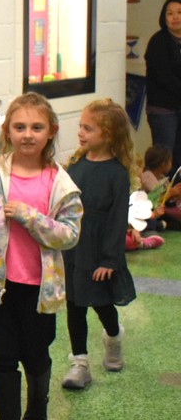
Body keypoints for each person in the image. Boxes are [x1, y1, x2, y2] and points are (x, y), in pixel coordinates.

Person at [0, 93, 82, 420]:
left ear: (51, 131)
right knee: (1, 359)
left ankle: (37, 404)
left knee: (35, 356)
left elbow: (69, 235)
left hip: (39, 289)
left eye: (36, 127)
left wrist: (29, 216)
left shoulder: (60, 183)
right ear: (7, 131)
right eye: (19, 127)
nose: (27, 135)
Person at [61, 98, 138, 390]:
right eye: (81, 126)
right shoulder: (75, 164)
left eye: (88, 128)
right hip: (72, 250)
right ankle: (79, 362)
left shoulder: (117, 174)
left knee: (101, 304)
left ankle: (114, 337)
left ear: (107, 134)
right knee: (74, 305)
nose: (80, 132)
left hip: (99, 252)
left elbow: (117, 220)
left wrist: (109, 259)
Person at [143, 0, 181, 170]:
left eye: (180, 12)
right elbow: (163, 76)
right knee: (164, 159)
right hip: (163, 111)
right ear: (164, 18)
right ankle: (162, 196)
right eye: (170, 13)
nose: (175, 17)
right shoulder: (157, 42)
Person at [140, 144, 181, 228]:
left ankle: (163, 224)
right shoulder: (147, 177)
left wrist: (175, 195)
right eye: (170, 161)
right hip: (150, 210)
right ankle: (160, 225)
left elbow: (165, 199)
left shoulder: (163, 179)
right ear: (163, 164)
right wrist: (170, 193)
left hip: (161, 209)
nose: (171, 164)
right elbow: (153, 199)